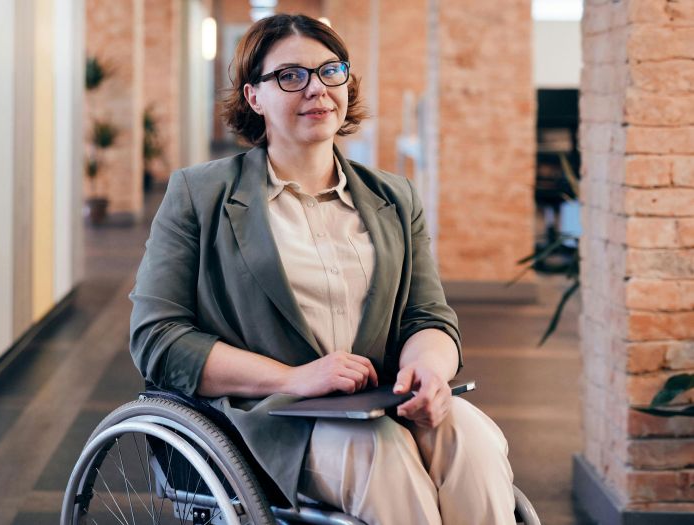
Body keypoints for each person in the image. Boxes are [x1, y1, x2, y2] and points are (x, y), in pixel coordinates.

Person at [130, 13, 515, 525]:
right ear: (254, 97)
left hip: (379, 403)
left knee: (474, 440)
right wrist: (295, 377)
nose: (317, 89)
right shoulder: (199, 195)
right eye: (291, 76)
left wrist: (430, 371)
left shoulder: (393, 198)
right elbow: (158, 338)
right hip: (266, 419)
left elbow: (428, 317)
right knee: (382, 456)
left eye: (331, 71)